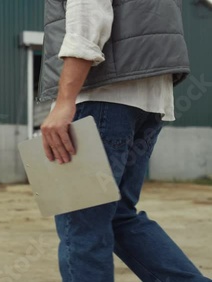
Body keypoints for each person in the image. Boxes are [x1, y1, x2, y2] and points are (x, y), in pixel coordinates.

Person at [38, 0, 212, 281]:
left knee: (81, 225)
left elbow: (89, 16)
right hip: (150, 100)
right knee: (119, 216)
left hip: (99, 98)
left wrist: (64, 101)